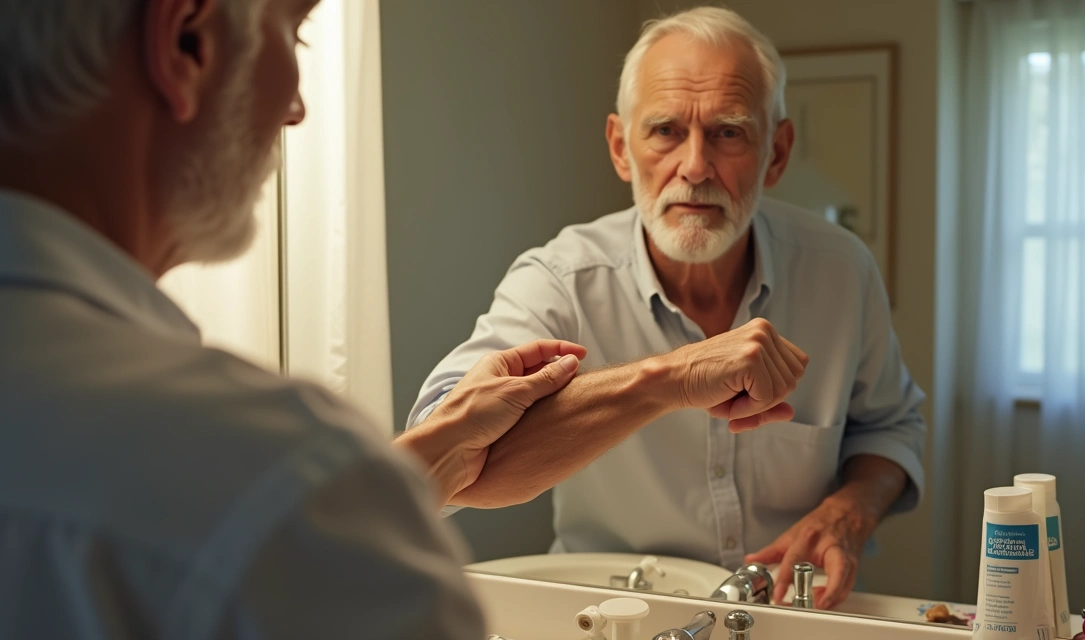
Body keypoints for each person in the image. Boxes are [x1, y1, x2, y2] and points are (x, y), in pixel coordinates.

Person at [0, 0, 807, 636]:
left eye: (728, 134)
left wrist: (424, 451)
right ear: (188, 42)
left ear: (774, 152)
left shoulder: (259, 484)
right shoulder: (261, 477)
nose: (296, 109)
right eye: (297, 35)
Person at [409, 6, 926, 610]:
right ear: (621, 149)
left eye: (729, 132)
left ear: (777, 152)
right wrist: (670, 378)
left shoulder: (842, 270)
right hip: (607, 615)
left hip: (789, 614)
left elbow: (890, 427)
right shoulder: (561, 280)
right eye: (665, 131)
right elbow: (434, 458)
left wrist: (850, 511)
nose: (696, 166)